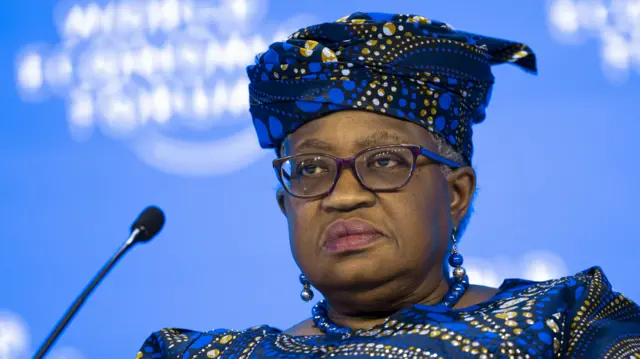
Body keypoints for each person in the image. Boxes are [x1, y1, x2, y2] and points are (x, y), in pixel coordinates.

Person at [136, 12, 640, 359]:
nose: (344, 194)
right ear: (285, 206)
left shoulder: (565, 324)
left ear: (456, 193)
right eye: (310, 169)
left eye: (382, 161)